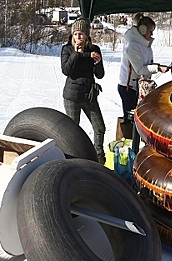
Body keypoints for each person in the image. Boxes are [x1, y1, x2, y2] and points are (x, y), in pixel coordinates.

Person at [61, 18, 106, 163]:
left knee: (100, 128)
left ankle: (99, 157)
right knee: (73, 132)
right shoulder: (67, 49)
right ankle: (72, 159)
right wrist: (76, 54)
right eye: (75, 34)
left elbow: (100, 75)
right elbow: (67, 71)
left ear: (87, 35)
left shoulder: (95, 50)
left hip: (89, 96)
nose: (78, 37)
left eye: (81, 34)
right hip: (72, 96)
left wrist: (98, 62)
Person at [118, 14, 169, 124]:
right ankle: (127, 139)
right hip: (129, 87)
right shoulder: (132, 45)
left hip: (139, 86)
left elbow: (147, 64)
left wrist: (158, 66)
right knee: (131, 121)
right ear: (142, 30)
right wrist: (158, 68)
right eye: (151, 31)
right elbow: (140, 70)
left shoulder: (144, 44)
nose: (152, 34)